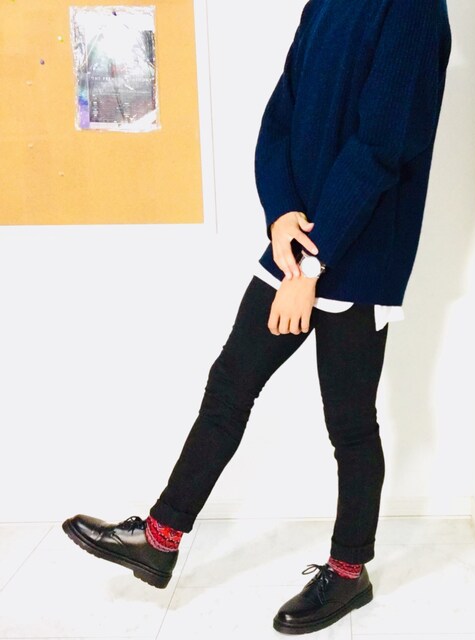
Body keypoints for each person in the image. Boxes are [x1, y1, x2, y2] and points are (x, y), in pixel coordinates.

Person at [62, 0, 452, 634]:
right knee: (229, 386)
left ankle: (349, 572)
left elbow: (381, 147)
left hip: (361, 256)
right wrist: (280, 215)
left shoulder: (412, 10)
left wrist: (314, 266)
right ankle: (160, 540)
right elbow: (282, 114)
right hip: (295, 244)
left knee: (350, 423)